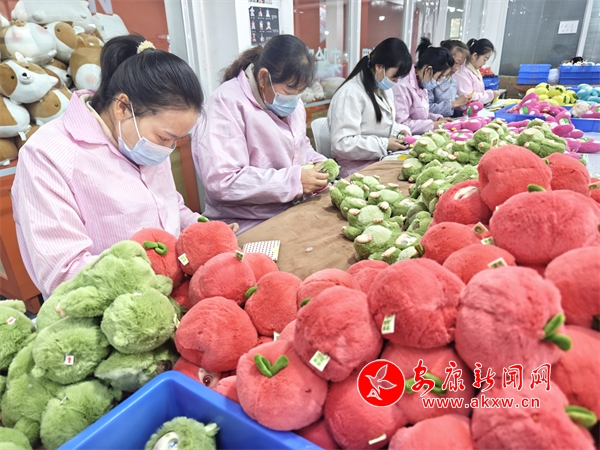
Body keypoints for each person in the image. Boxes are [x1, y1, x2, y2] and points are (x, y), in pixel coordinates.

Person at [12, 35, 237, 299]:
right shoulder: (47, 154)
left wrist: (203, 231)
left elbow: (167, 205)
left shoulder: (142, 139)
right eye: (164, 138)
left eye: (175, 140)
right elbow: (63, 274)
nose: (168, 148)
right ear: (122, 108)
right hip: (109, 306)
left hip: (167, 289)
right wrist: (157, 269)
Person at [192, 35, 328, 234]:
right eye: (289, 90)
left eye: (300, 91)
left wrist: (318, 163)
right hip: (246, 222)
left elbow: (300, 146)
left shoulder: (293, 103)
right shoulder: (225, 103)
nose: (294, 99)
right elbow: (223, 181)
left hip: (291, 210)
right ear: (264, 77)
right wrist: (294, 181)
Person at [328, 37, 413, 177]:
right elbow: (342, 144)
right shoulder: (350, 93)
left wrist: (399, 131)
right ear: (379, 67)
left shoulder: (383, 89)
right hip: (355, 168)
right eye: (394, 77)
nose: (396, 82)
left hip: (378, 160)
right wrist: (384, 144)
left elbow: (383, 124)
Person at [392, 37, 455, 135]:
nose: (439, 81)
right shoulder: (402, 85)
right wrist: (433, 125)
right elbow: (402, 124)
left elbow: (420, 114)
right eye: (439, 77)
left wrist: (437, 118)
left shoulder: (422, 81)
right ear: (428, 70)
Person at [427, 40, 472, 117]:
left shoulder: (452, 80)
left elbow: (454, 99)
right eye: (456, 62)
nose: (457, 68)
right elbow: (427, 109)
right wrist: (453, 104)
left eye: (460, 64)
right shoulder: (429, 80)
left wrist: (464, 102)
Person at [453, 38, 499, 105]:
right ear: (475, 55)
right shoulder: (462, 72)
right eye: (484, 59)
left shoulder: (474, 71)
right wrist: (490, 95)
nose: (485, 63)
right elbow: (468, 97)